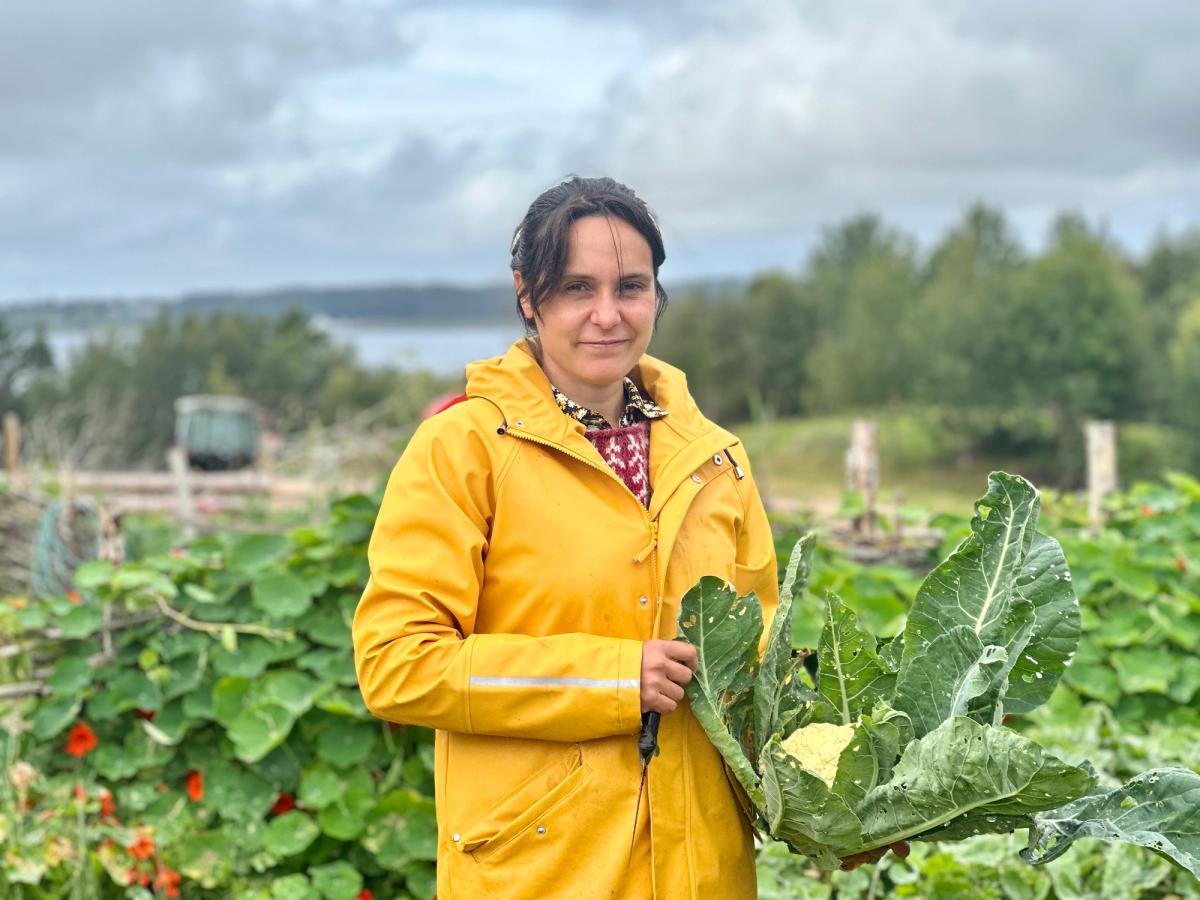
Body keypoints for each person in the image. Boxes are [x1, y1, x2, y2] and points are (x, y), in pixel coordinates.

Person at [352, 176, 892, 899]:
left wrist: (839, 802)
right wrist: (607, 679)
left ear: (656, 296)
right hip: (542, 869)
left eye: (630, 287)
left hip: (705, 871)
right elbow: (398, 664)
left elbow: (757, 672)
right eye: (577, 288)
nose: (607, 315)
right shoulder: (463, 449)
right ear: (527, 295)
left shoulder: (715, 459)